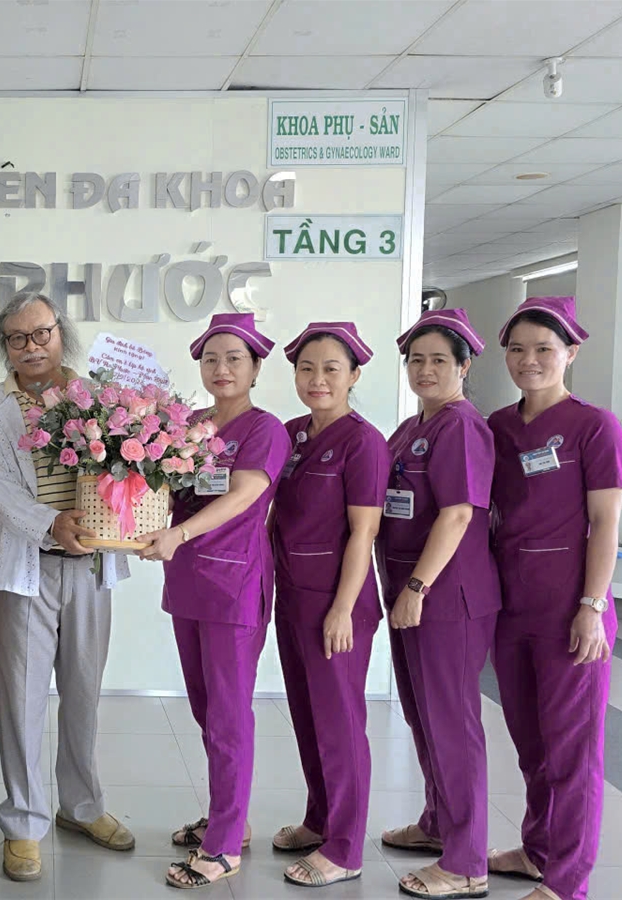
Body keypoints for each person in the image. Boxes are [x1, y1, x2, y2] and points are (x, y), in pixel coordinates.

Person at [0, 292, 134, 883]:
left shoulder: (99, 398)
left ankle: (81, 806)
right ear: (4, 346)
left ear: (60, 332)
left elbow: (124, 474)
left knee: (84, 692)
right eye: (17, 338)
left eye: (41, 333)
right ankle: (23, 823)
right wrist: (51, 524)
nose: (31, 346)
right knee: (21, 699)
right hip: (27, 569)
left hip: (89, 567)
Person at [137, 312, 290, 892]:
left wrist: (178, 533)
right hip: (188, 581)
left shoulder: (264, 429)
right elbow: (162, 490)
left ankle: (223, 845)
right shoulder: (192, 426)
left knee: (228, 714)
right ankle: (233, 817)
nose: (221, 368)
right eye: (210, 359)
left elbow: (246, 494)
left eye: (234, 359)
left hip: (234, 585)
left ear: (255, 367)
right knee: (206, 709)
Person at [486, 297, 622, 900]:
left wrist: (592, 607)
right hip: (511, 603)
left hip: (571, 608)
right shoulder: (497, 426)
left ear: (571, 353)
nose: (529, 360)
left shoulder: (595, 426)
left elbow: (605, 522)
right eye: (518, 349)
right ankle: (538, 850)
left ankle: (567, 882)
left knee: (572, 751)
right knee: (531, 744)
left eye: (544, 348)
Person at [376, 309, 500, 900]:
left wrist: (418, 587)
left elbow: (457, 515)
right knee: (422, 714)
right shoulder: (412, 427)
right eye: (416, 360)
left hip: (447, 596)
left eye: (439, 361)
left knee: (452, 723)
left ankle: (468, 859)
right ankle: (437, 823)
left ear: (464, 366)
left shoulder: (463, 427)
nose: (425, 370)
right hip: (408, 590)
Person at [269, 322, 389, 888]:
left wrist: (342, 608)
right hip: (292, 595)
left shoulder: (363, 442)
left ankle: (345, 847)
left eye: (331, 369)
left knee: (340, 723)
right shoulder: (291, 435)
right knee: (308, 715)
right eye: (307, 368)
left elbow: (364, 531)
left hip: (337, 603)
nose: (317, 379)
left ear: (354, 376)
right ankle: (319, 819)